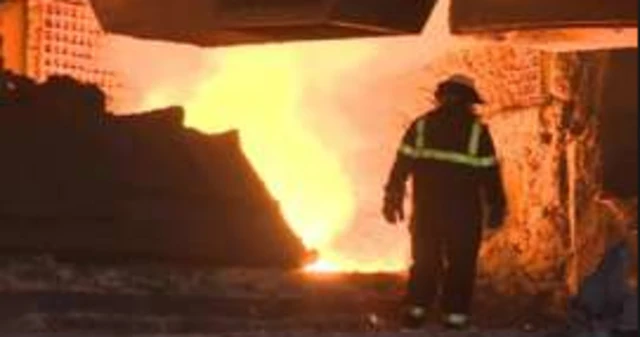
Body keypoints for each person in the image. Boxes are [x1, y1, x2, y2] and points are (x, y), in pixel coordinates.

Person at [382, 74, 507, 330]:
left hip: (428, 210)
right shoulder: (477, 132)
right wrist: (497, 205)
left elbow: (401, 166)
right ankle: (454, 317)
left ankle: (415, 312)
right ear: (470, 102)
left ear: (441, 97)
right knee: (461, 263)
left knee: (426, 259)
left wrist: (392, 197)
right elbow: (489, 173)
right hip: (464, 213)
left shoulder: (421, 126)